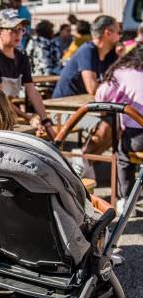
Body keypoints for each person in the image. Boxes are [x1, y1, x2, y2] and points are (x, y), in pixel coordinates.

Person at [53, 15, 120, 178]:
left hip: (88, 109)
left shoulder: (110, 54)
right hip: (63, 111)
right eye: (119, 31)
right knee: (107, 127)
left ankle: (83, 159)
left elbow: (121, 82)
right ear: (108, 33)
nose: (121, 35)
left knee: (119, 126)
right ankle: (82, 159)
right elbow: (92, 88)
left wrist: (122, 57)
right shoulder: (87, 50)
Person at [0, 9, 56, 139]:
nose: (18, 34)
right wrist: (28, 118)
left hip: (7, 114)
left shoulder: (22, 56)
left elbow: (32, 91)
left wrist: (45, 120)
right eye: (13, 29)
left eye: (21, 29)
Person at [95, 46, 143, 213]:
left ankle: (126, 199)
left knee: (123, 157)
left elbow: (101, 96)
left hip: (138, 136)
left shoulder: (122, 72)